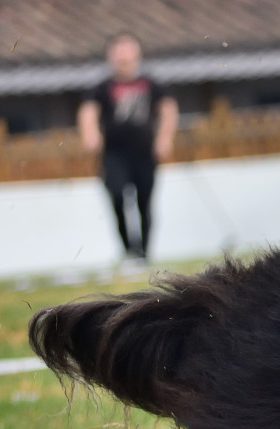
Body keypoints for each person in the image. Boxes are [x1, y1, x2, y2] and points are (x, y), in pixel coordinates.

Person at [78, 33, 178, 263]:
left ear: (137, 53)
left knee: (145, 202)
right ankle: (128, 249)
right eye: (118, 50)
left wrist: (164, 138)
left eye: (127, 49)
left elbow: (168, 109)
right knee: (116, 196)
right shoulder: (103, 87)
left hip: (144, 153)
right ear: (110, 56)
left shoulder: (151, 84)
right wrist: (90, 134)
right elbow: (88, 111)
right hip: (114, 154)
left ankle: (144, 251)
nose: (123, 55)